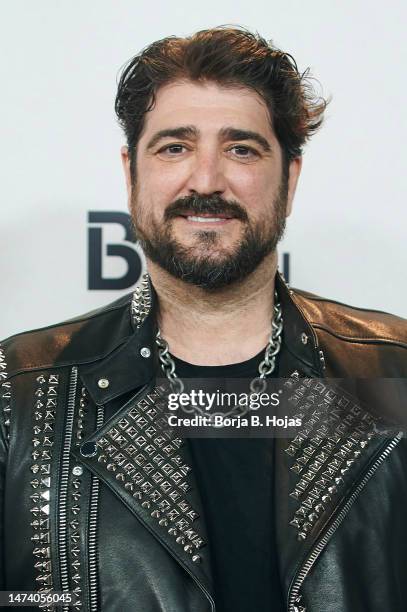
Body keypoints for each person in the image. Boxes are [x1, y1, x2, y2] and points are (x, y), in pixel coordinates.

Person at [0, 26, 406, 612]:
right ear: (130, 173)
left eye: (242, 148)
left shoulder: (393, 370)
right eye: (174, 147)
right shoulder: (20, 392)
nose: (207, 181)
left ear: (289, 179)